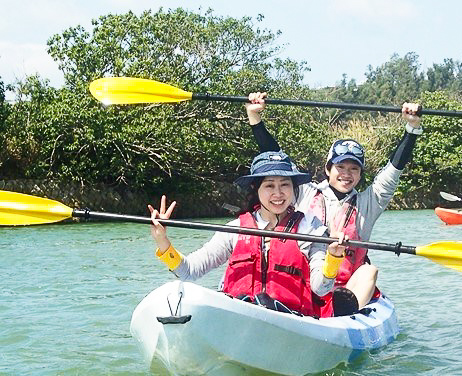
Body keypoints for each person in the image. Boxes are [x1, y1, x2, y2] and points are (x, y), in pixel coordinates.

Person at [244, 92, 423, 316]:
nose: (346, 174)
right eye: (341, 167)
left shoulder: (370, 202)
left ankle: (341, 313)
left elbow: (394, 169)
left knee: (369, 270)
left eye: (354, 169)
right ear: (328, 169)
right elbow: (275, 158)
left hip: (345, 291)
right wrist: (255, 119)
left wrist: (411, 128)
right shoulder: (304, 192)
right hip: (303, 282)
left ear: (360, 175)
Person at [148, 151, 347, 317]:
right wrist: (162, 241)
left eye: (285, 185)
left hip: (291, 322)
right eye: (269, 185)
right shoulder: (234, 229)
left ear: (293, 189)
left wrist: (334, 256)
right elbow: (188, 271)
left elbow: (321, 288)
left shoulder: (311, 230)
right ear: (256, 189)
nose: (278, 194)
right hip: (240, 317)